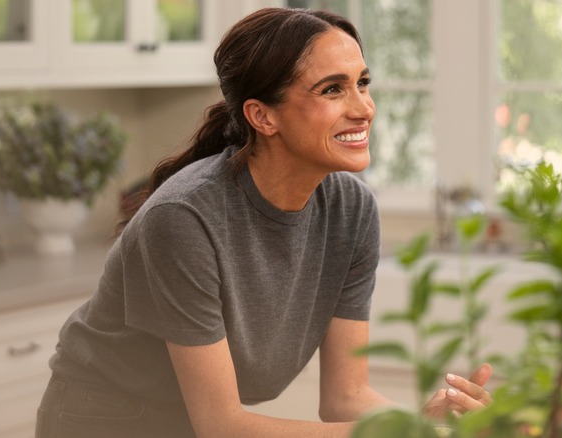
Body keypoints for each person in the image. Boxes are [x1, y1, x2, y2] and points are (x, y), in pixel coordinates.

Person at [35, 7, 492, 438]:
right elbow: (223, 426)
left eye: (363, 83)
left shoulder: (351, 210)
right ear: (262, 116)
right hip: (105, 416)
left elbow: (345, 397)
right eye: (333, 89)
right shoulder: (184, 219)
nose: (364, 108)